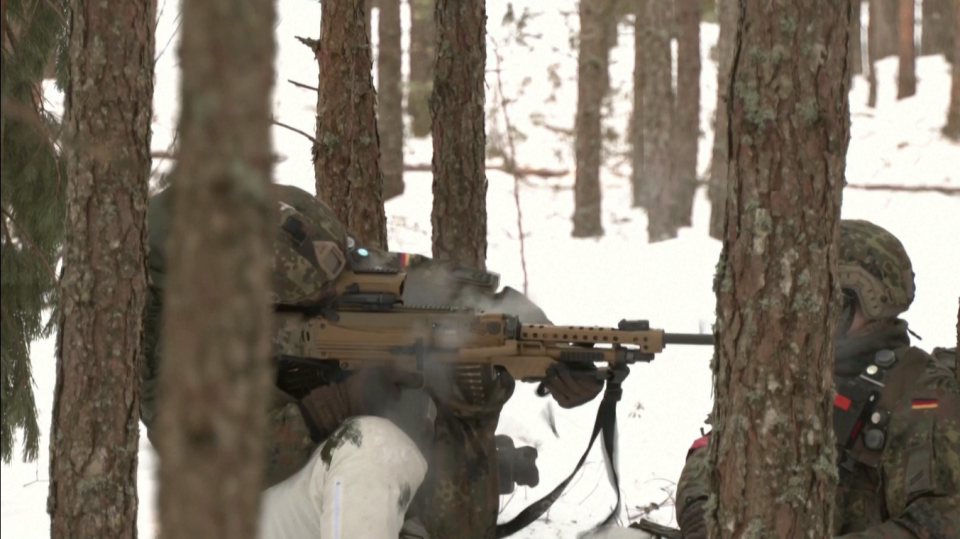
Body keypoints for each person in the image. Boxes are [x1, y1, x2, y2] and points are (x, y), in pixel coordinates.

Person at [140, 183, 605, 539]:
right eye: (313, 299)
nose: (334, 294)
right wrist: (336, 403)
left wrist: (546, 351)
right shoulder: (156, 329)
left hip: (328, 492)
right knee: (373, 446)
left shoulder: (313, 250)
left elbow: (449, 292)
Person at [674, 220, 960, 539]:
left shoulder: (920, 393)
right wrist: (700, 512)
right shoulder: (795, 369)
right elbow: (715, 447)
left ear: (865, 301)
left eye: (824, 298)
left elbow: (939, 523)